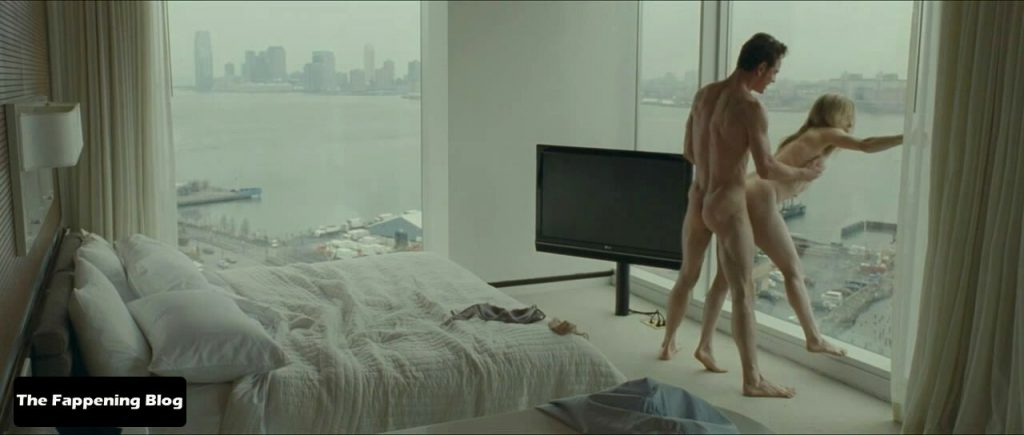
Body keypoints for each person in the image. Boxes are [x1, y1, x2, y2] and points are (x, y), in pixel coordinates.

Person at [658, 32, 823, 398]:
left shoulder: (704, 95)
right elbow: (766, 168)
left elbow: (689, 151)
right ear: (760, 68)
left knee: (687, 276)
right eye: (774, 72)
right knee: (743, 293)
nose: (774, 80)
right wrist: (804, 173)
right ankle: (753, 380)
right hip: (727, 204)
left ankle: (668, 344)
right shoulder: (750, 107)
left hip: (698, 197)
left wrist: (716, 162)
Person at [694, 93, 904, 371]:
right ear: (835, 116)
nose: (851, 123)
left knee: (723, 280)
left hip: (747, 193)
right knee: (792, 270)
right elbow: (866, 145)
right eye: (848, 117)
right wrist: (905, 137)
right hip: (760, 198)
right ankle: (813, 338)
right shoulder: (824, 133)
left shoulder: (805, 137)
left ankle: (704, 346)